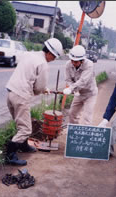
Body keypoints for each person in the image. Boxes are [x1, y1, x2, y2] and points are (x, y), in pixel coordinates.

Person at [5, 38, 63, 166]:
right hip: (21, 96)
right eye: (54, 57)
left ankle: (24, 146)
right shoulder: (43, 63)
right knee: (25, 129)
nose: (53, 59)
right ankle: (10, 155)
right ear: (49, 53)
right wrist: (44, 90)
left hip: (10, 92)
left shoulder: (29, 54)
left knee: (21, 124)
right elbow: (39, 87)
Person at [63, 45, 98, 125]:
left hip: (90, 94)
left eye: (76, 61)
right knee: (72, 114)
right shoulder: (68, 65)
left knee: (87, 117)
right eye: (72, 60)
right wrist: (74, 89)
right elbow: (68, 79)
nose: (73, 63)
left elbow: (83, 81)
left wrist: (71, 88)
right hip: (78, 93)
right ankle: (74, 133)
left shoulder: (89, 65)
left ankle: (85, 135)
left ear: (82, 60)